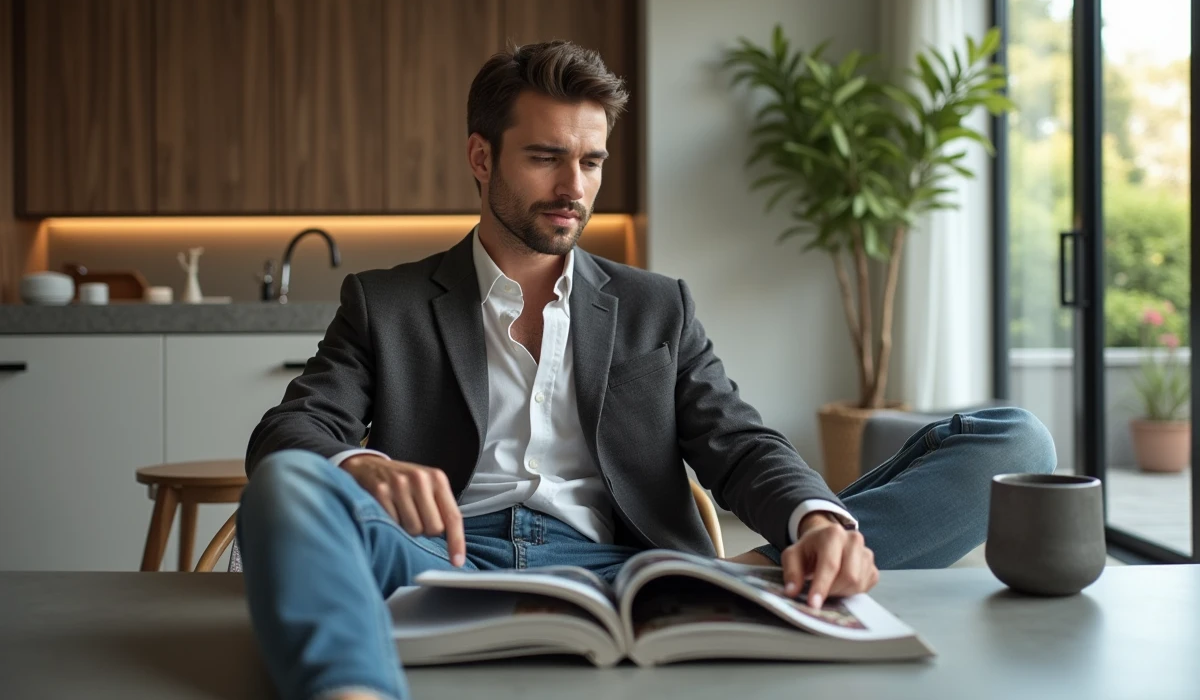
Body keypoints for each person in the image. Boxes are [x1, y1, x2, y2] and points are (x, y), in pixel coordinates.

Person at [238, 40, 1056, 700]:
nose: (574, 188)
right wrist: (365, 465)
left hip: (634, 571)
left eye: (592, 162)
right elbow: (293, 428)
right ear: (480, 158)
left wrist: (812, 521)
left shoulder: (655, 306)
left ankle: (762, 576)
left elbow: (737, 443)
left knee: (1014, 442)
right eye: (546, 158)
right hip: (441, 563)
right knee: (283, 484)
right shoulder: (388, 302)